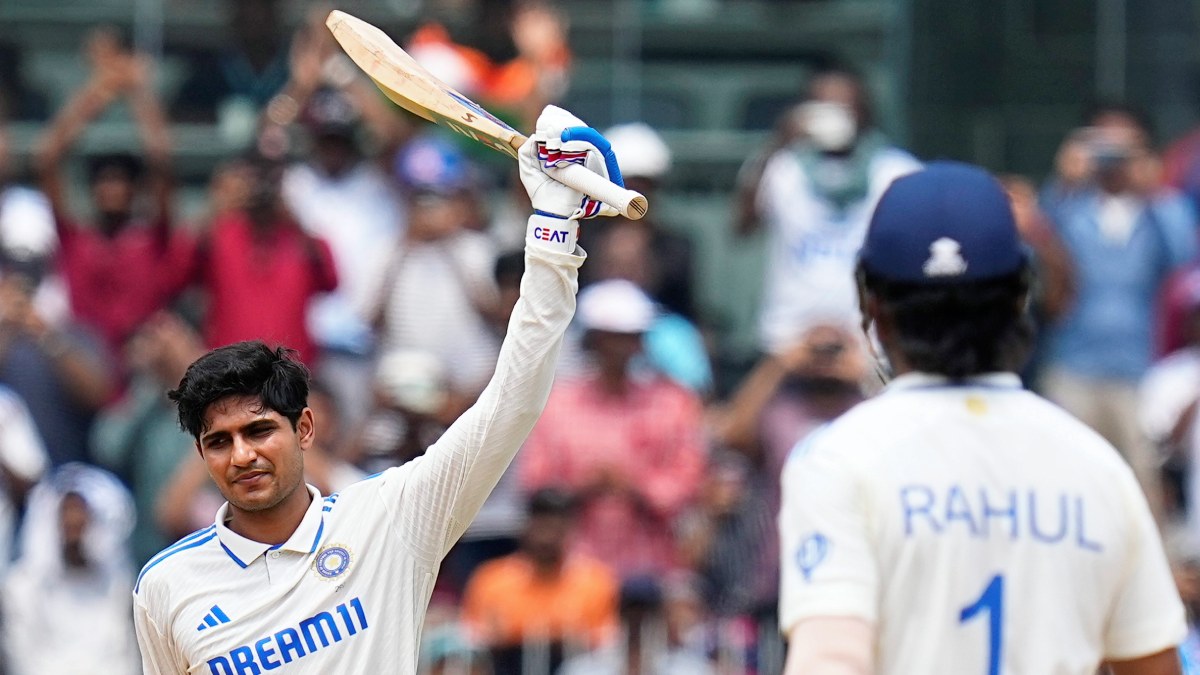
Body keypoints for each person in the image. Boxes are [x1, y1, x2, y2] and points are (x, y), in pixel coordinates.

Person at [132, 105, 605, 673]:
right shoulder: (165, 585)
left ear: (305, 428)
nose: (242, 455)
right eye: (219, 441)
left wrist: (553, 229)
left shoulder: (391, 518)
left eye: (259, 430)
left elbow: (514, 400)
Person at [778, 161, 1186, 675]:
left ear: (872, 306)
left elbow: (831, 659)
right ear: (1020, 298)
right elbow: (1154, 666)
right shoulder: (1096, 465)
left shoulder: (837, 460)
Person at [1038, 104, 1196, 516]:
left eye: (1124, 148)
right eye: (1102, 145)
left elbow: (1183, 256)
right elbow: (1041, 247)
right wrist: (1063, 181)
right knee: (1066, 480)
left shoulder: (1157, 210)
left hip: (1136, 368)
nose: (1113, 158)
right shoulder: (1072, 205)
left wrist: (1154, 191)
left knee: (1143, 485)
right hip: (1073, 364)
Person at [520, 279, 707, 579]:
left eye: (630, 338)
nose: (622, 349)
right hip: (572, 570)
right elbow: (535, 484)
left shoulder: (672, 404)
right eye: (612, 339)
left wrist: (635, 486)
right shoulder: (558, 404)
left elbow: (688, 481)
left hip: (650, 569)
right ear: (592, 340)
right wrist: (581, 486)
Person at [735, 67, 920, 355]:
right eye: (822, 107)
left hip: (869, 346)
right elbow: (742, 227)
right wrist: (780, 141)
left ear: (864, 112)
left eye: (844, 107)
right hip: (789, 342)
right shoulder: (783, 167)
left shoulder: (895, 171)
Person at [35, 28, 194, 359]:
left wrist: (137, 91)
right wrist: (96, 91)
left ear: (134, 189)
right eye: (103, 181)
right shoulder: (76, 239)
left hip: (144, 362)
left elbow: (162, 161)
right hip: (86, 359)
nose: (111, 189)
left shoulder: (151, 239)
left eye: (120, 181)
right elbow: (48, 160)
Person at [461, 488, 618, 672]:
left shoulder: (595, 581)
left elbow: (606, 640)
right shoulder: (491, 579)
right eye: (542, 526)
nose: (547, 537)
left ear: (569, 529)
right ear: (527, 527)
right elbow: (471, 637)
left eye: (556, 527)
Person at [4, 463, 138, 675]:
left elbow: (125, 658)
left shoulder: (118, 584)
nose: (74, 524)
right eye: (66, 516)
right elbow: (22, 659)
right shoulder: (22, 588)